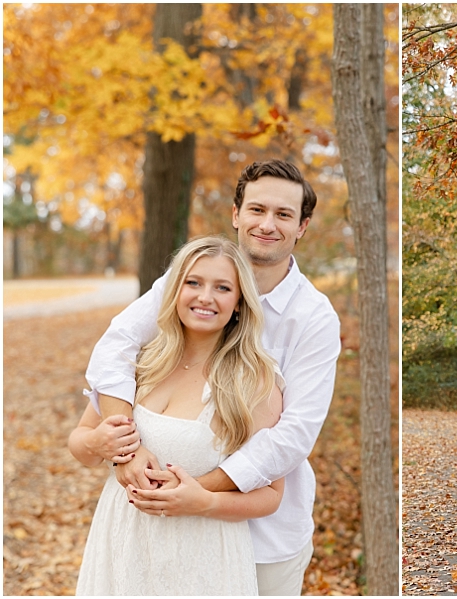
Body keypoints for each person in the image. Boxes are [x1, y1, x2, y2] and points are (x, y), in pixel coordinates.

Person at [79, 160, 341, 595]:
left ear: (303, 226)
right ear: (236, 214)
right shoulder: (194, 282)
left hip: (265, 535)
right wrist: (125, 451)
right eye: (257, 210)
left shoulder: (313, 317)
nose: (267, 224)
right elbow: (116, 346)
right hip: (160, 531)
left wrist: (197, 493)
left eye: (283, 215)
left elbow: (293, 435)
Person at [70, 236, 285, 594]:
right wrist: (98, 442)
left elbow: (272, 493)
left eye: (222, 287)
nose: (205, 297)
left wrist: (206, 501)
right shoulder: (142, 360)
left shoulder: (255, 380)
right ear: (175, 291)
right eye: (194, 283)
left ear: (238, 304)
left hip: (200, 556)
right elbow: (79, 443)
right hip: (121, 541)